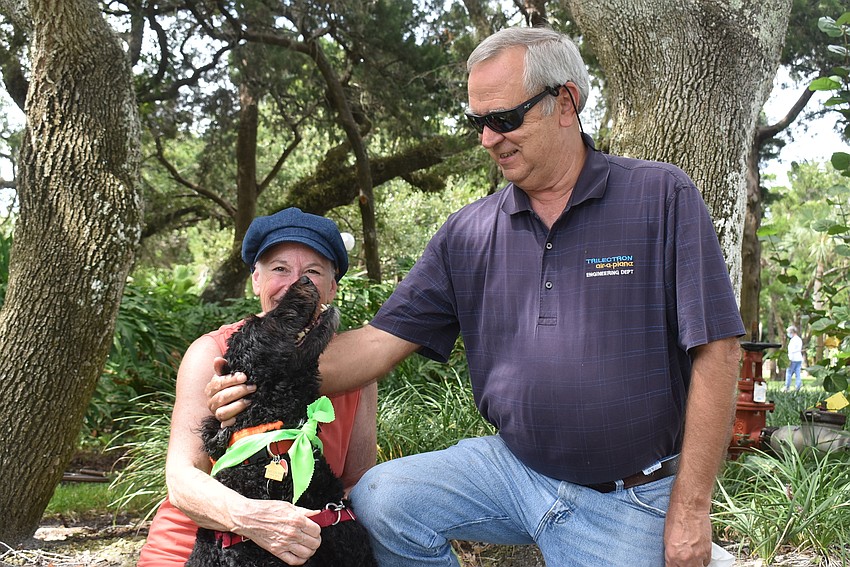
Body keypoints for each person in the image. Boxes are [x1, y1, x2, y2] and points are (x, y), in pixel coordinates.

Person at [209, 27, 744, 567]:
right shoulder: (470, 231)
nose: (488, 139)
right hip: (513, 472)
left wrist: (691, 511)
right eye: (478, 122)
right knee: (384, 500)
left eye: (504, 119)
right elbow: (376, 343)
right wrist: (256, 381)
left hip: (630, 495)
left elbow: (717, 350)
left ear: (565, 103)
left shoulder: (659, 196)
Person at [138, 207, 378, 566]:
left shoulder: (360, 369)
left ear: (332, 286)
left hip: (301, 549)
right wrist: (254, 520)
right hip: (195, 547)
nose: (296, 284)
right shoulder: (215, 353)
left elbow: (355, 483)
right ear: (256, 280)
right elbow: (182, 478)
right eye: (280, 269)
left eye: (312, 271)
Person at [783, 325, 804, 392]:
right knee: (798, 374)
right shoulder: (799, 339)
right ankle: (798, 387)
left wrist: (789, 360)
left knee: (789, 373)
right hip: (799, 358)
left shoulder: (793, 341)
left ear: (792, 332)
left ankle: (787, 387)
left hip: (793, 358)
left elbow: (791, 351)